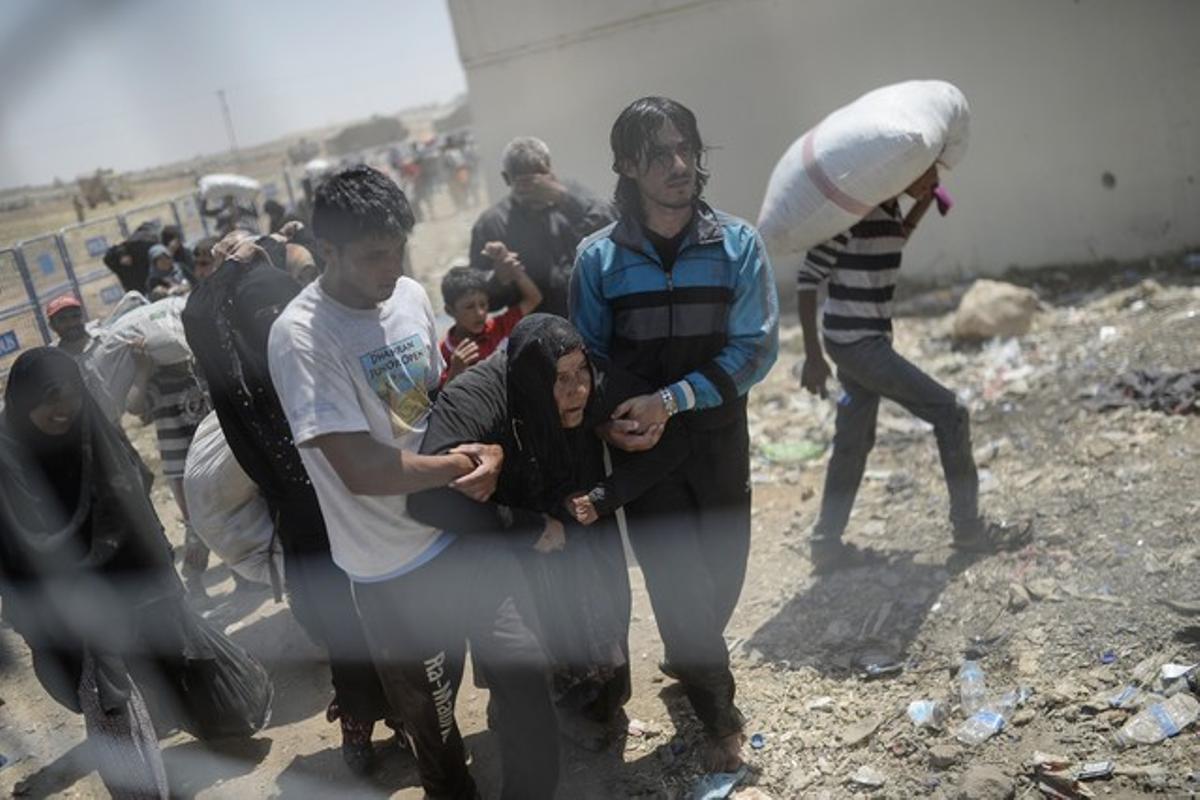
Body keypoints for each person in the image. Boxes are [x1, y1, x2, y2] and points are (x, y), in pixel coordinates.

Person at [268, 166, 557, 799]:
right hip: (391, 570)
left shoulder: (409, 297)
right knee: (437, 726)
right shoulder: (301, 335)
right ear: (328, 251)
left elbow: (429, 406)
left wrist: (483, 453)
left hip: (462, 535)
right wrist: (465, 465)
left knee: (526, 671)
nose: (392, 268)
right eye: (374, 255)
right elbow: (361, 468)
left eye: (400, 249)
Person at [569, 96, 779, 770]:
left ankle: (693, 655)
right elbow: (589, 359)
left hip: (718, 437)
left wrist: (673, 398)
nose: (680, 164)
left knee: (720, 579)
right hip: (644, 454)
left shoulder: (737, 244)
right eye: (660, 153)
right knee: (678, 585)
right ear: (627, 165)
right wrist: (614, 416)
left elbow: (755, 349)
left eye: (687, 147)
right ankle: (717, 719)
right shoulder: (597, 261)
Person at [0, 349, 271, 799]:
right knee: (109, 692)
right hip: (65, 598)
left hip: (131, 573)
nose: (64, 407)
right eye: (50, 397)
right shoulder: (8, 459)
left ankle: (211, 728)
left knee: (174, 655)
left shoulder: (93, 435)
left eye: (72, 394)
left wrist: (161, 559)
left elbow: (135, 493)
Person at [183, 227, 397, 774]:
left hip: (352, 495)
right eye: (261, 307)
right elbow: (198, 316)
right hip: (311, 508)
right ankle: (361, 719)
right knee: (344, 624)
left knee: (375, 617)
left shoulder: (304, 334)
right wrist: (238, 265)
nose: (272, 317)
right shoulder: (245, 379)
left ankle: (396, 714)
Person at [411, 314, 660, 751]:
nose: (578, 389)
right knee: (521, 650)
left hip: (574, 516)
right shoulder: (475, 398)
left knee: (604, 627)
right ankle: (515, 706)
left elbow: (672, 437)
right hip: (506, 527)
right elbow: (426, 500)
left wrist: (604, 495)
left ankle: (589, 704)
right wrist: (524, 528)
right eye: (560, 379)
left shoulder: (591, 377)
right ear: (530, 378)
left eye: (581, 372)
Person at [796, 165, 1030, 571]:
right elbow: (806, 279)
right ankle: (969, 530)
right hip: (857, 343)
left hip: (861, 339)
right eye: (924, 174)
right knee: (950, 413)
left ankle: (826, 544)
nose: (932, 180)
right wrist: (813, 358)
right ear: (896, 172)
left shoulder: (885, 212)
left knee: (853, 441)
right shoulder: (851, 213)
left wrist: (923, 200)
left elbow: (893, 239)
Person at [469, 136, 614, 317]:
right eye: (524, 185)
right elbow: (480, 300)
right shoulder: (491, 225)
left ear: (549, 171)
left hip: (594, 316)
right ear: (507, 178)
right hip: (541, 331)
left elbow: (613, 228)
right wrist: (499, 279)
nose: (533, 193)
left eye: (537, 183)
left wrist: (564, 198)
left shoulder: (572, 196)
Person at [439, 250, 542, 384]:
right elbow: (442, 400)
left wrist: (516, 272)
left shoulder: (498, 327)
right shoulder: (444, 351)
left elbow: (534, 299)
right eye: (469, 307)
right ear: (450, 310)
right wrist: (455, 371)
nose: (480, 313)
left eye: (483, 304)